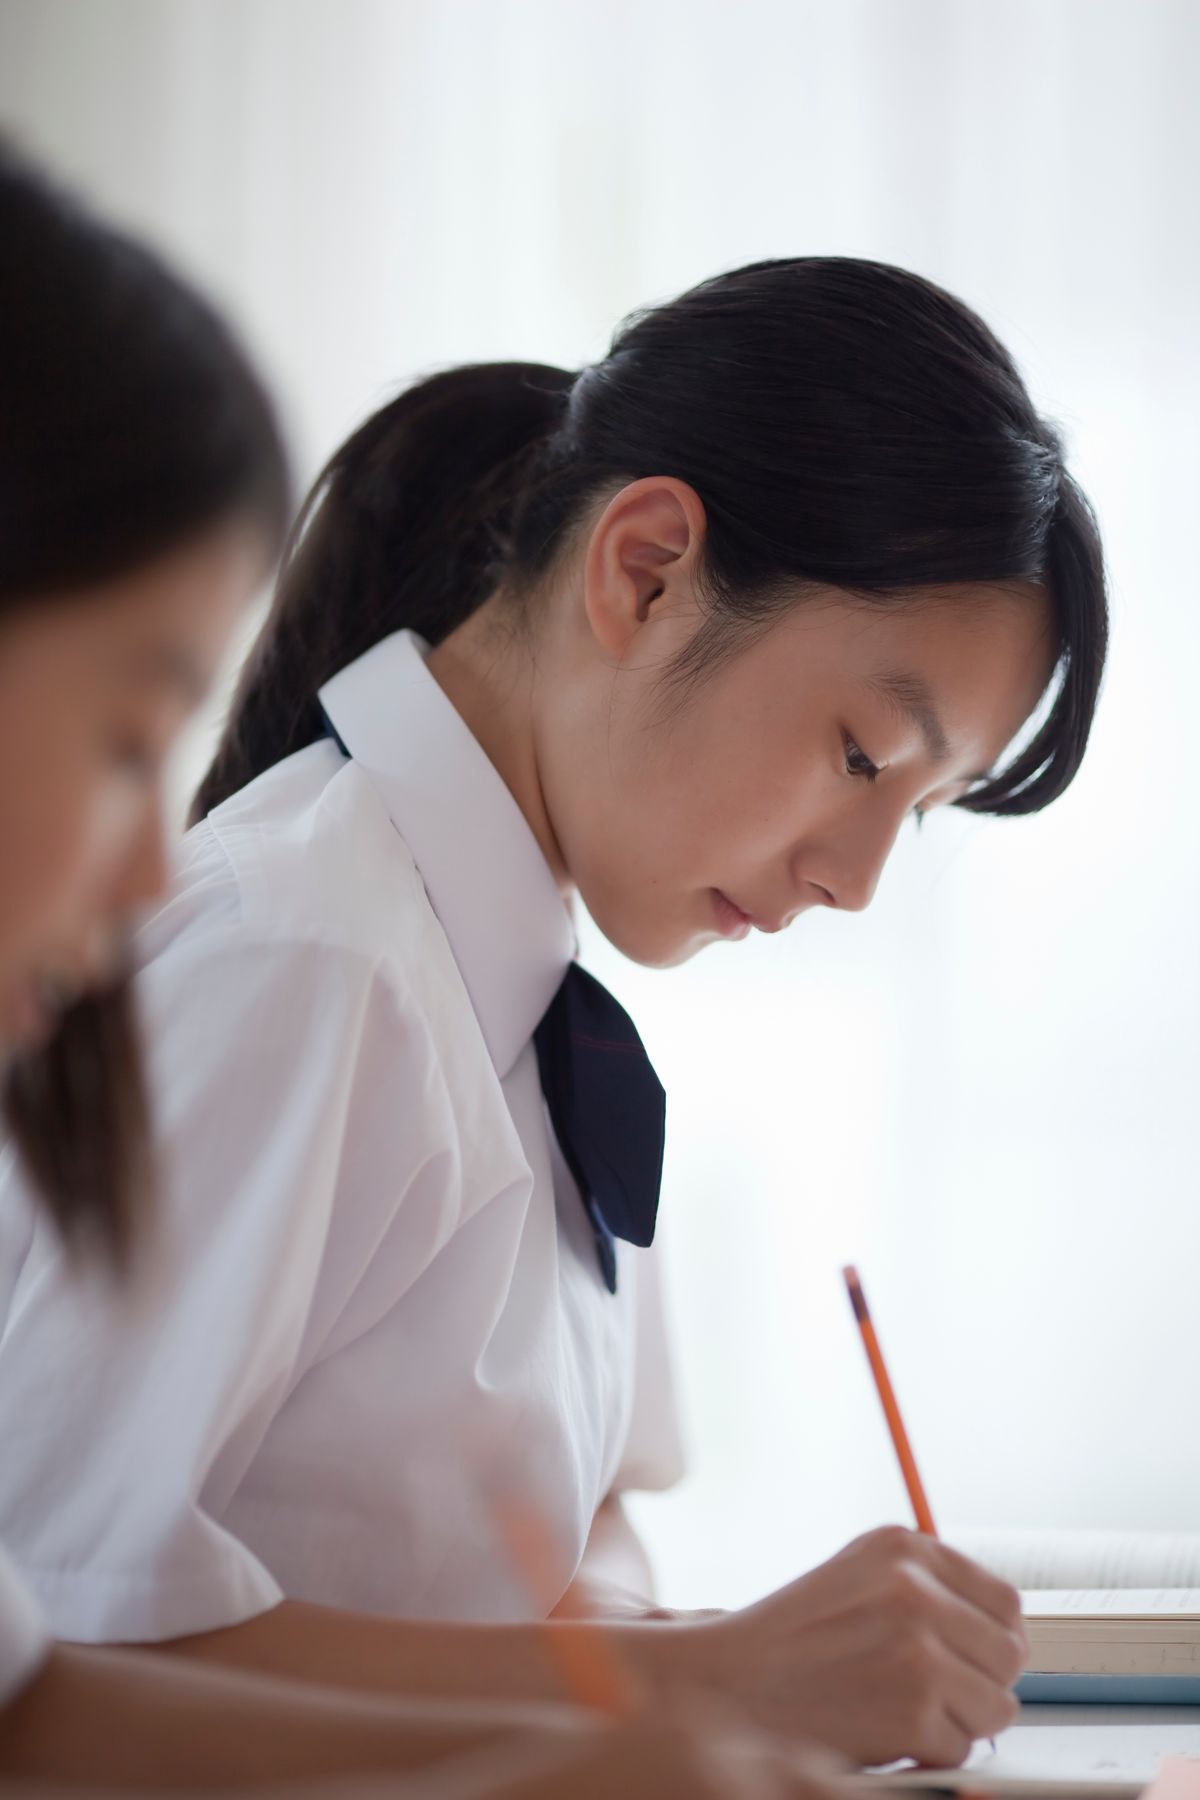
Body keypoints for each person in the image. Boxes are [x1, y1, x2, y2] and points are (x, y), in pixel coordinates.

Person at [0, 251, 1107, 1770]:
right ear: (645, 570)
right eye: (862, 755)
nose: (857, 881)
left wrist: (717, 1670)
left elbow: (578, 1544)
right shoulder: (312, 959)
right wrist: (697, 1687)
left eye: (918, 813)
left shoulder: (540, 1006)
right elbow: (63, 1639)